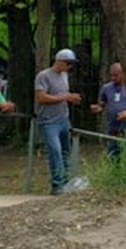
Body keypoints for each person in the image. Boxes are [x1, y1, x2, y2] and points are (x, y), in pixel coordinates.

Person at [35, 49, 83, 195]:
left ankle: (64, 181)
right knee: (54, 151)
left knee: (64, 151)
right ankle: (57, 184)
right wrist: (65, 98)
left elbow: (63, 95)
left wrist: (70, 99)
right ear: (59, 61)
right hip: (49, 121)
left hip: (63, 118)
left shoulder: (64, 75)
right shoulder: (43, 76)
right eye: (68, 63)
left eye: (71, 64)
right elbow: (42, 98)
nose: (69, 67)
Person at [89, 62, 126, 159]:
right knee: (113, 150)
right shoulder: (106, 88)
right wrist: (97, 108)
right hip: (112, 124)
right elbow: (102, 103)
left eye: (116, 75)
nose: (113, 78)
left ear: (123, 73)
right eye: (111, 75)